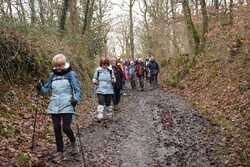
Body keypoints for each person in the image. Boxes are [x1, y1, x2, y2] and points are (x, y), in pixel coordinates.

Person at [36, 54, 81, 163]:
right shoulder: (52, 75)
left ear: (65, 64)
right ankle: (60, 152)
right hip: (54, 104)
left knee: (66, 128)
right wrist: (40, 88)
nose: (58, 68)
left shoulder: (71, 74)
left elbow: (77, 90)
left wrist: (75, 99)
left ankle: (74, 143)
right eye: (56, 66)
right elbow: (46, 91)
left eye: (60, 65)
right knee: (56, 128)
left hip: (67, 104)